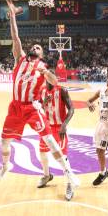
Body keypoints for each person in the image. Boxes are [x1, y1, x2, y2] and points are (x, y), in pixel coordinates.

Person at [0, 0, 80, 196]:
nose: (34, 47)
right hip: (15, 107)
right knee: (3, 141)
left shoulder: (43, 67)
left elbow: (55, 82)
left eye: (38, 48)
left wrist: (46, 73)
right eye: (33, 46)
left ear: (42, 55)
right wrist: (12, 15)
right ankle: (5, 166)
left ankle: (69, 174)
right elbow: (15, 36)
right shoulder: (19, 59)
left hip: (32, 107)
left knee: (49, 140)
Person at [38, 71, 75, 200]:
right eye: (48, 77)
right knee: (42, 152)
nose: (51, 79)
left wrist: (64, 125)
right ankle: (47, 175)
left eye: (53, 77)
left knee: (63, 157)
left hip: (59, 127)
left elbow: (72, 108)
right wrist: (43, 103)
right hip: (46, 127)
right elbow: (36, 109)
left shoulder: (62, 90)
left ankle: (70, 184)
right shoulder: (41, 91)